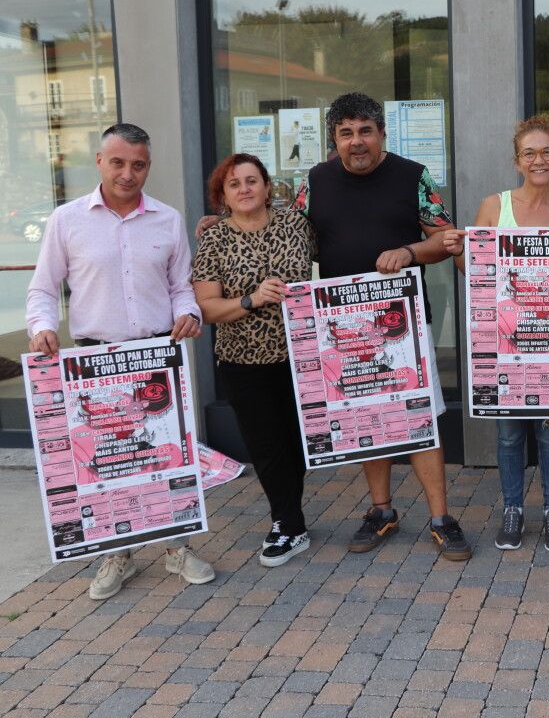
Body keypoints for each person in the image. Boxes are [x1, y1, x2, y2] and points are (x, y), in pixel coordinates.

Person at [198, 93, 471, 561]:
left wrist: (408, 252)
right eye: (346, 133)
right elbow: (280, 228)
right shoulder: (317, 181)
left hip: (399, 321)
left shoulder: (413, 176)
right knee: (367, 417)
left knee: (419, 418)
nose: (356, 141)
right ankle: (381, 510)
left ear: (381, 133)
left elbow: (446, 239)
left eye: (365, 130)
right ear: (334, 140)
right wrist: (221, 221)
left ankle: (442, 517)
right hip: (342, 324)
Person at [26, 123, 214, 599]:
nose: (128, 173)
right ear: (99, 161)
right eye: (118, 162)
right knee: (108, 461)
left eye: (138, 164)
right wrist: (41, 327)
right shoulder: (67, 220)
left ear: (148, 166)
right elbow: (44, 289)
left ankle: (177, 547)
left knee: (165, 455)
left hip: (155, 357)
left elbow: (180, 288)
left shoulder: (167, 220)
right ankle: (117, 554)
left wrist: (188, 313)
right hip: (95, 361)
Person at [443, 117, 549, 552]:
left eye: (547, 152)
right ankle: (513, 509)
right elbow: (475, 271)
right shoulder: (493, 206)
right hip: (505, 343)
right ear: (517, 160)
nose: (538, 160)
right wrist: (459, 253)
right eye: (529, 153)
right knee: (508, 434)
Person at [191, 153, 316, 566]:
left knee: (298, 440)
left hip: (300, 355)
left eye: (251, 180)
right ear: (222, 195)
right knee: (267, 445)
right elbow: (206, 309)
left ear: (266, 186)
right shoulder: (214, 238)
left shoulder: (297, 225)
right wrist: (250, 299)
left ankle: (290, 517)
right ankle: (287, 522)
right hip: (243, 361)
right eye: (234, 184)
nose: (244, 189)